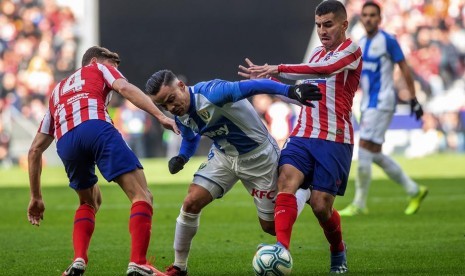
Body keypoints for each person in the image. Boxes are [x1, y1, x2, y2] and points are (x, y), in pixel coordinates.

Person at [144, 69, 322, 276]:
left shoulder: (213, 93)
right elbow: (190, 136)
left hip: (259, 158)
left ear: (182, 87)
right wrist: (182, 157)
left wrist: (290, 90)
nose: (170, 107)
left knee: (271, 227)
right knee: (191, 202)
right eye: (163, 105)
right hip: (223, 157)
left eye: (171, 99)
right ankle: (179, 267)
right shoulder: (180, 111)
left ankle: (303, 192)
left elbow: (254, 86)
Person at [26, 46, 179, 276]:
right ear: (94, 60)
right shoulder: (98, 68)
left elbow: (35, 149)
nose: (116, 72)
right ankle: (138, 261)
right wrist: (160, 115)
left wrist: (36, 196)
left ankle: (78, 259)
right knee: (142, 194)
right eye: (113, 66)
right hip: (96, 127)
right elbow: (125, 88)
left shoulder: (57, 91)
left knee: (89, 202)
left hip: (66, 142)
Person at [241, 0, 362, 273]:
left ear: (344, 24)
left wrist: (276, 68)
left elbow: (325, 71)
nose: (322, 30)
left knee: (321, 206)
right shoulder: (316, 54)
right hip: (302, 134)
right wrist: (266, 81)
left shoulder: (351, 51)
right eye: (318, 25)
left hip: (334, 138)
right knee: (286, 182)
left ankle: (337, 248)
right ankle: (281, 248)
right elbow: (303, 86)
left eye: (328, 24)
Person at [338, 1, 428, 217]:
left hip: (383, 102)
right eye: (365, 15)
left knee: (364, 148)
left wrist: (413, 98)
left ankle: (359, 203)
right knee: (373, 153)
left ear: (379, 19)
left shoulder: (388, 41)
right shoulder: (362, 43)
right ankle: (413, 190)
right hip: (368, 103)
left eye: (372, 15)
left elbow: (404, 67)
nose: (368, 19)